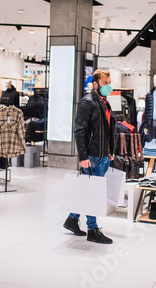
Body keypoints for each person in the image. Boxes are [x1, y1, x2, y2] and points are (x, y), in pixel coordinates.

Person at [63, 69, 115, 244]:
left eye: (109, 82)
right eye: (105, 82)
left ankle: (71, 220)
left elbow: (106, 130)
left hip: (102, 154)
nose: (108, 86)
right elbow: (79, 130)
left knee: (88, 190)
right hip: (92, 155)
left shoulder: (104, 102)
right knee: (94, 193)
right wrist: (83, 156)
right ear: (95, 83)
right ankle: (92, 229)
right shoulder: (87, 102)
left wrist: (110, 150)